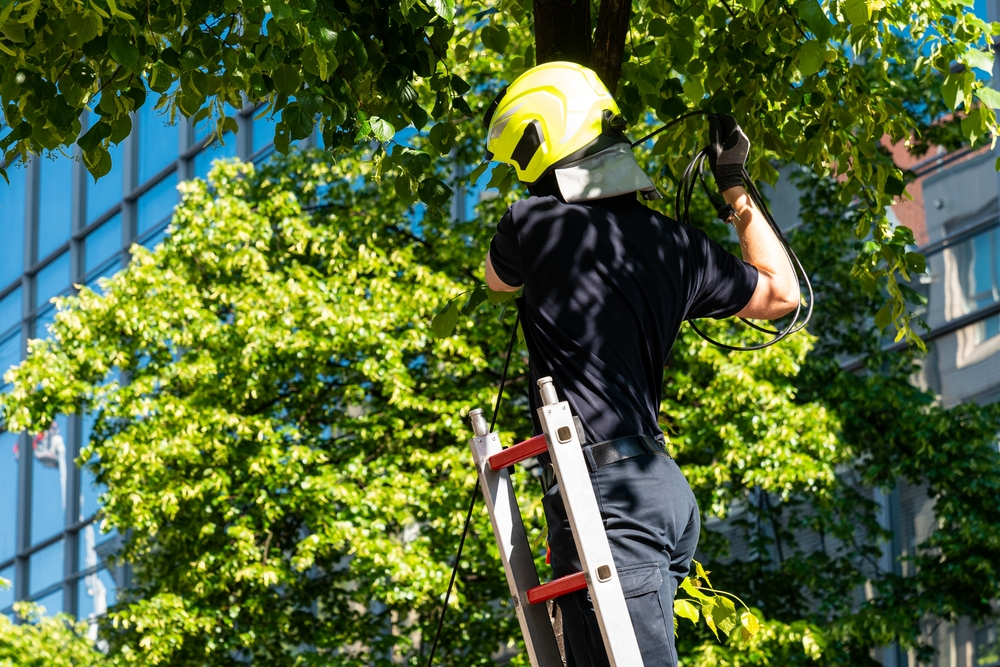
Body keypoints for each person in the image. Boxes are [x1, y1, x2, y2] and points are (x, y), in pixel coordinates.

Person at [481, 62, 799, 667]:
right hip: (652, 489)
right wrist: (734, 185)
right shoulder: (678, 245)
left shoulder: (532, 223)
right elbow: (782, 295)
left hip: (604, 500)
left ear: (541, 139)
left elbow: (497, 281)